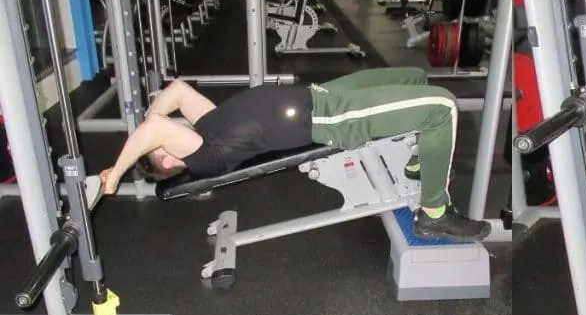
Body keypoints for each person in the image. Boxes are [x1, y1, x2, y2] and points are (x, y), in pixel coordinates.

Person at [99, 67, 491, 243]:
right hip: (330, 118)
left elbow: (179, 90)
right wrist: (117, 173)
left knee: (414, 78)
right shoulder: (205, 156)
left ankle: (421, 161)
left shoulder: (205, 127)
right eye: (161, 147)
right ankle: (435, 214)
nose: (166, 131)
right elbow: (152, 131)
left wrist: (153, 111)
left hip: (322, 94)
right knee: (441, 107)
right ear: (169, 161)